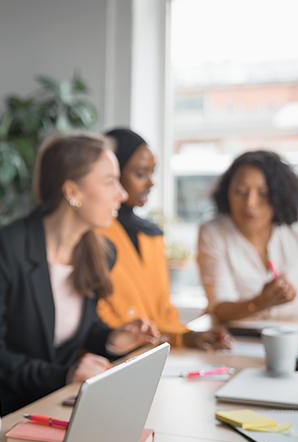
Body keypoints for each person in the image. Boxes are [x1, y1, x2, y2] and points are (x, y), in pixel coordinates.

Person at [0, 133, 160, 416]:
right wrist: (63, 375)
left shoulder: (101, 253)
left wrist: (111, 340)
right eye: (109, 181)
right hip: (6, 413)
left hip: (63, 406)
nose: (123, 194)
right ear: (72, 192)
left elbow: (82, 328)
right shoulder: (5, 248)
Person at [96, 128, 229, 350]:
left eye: (152, 173)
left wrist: (187, 337)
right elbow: (102, 321)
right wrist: (176, 339)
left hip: (159, 355)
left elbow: (164, 312)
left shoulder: (151, 236)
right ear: (113, 174)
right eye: (140, 173)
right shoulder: (95, 235)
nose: (151, 183)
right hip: (117, 357)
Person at [198, 150, 298, 322]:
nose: (250, 203)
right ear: (227, 191)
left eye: (263, 193)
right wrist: (259, 302)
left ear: (279, 196)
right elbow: (219, 308)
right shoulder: (214, 232)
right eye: (240, 190)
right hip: (238, 338)